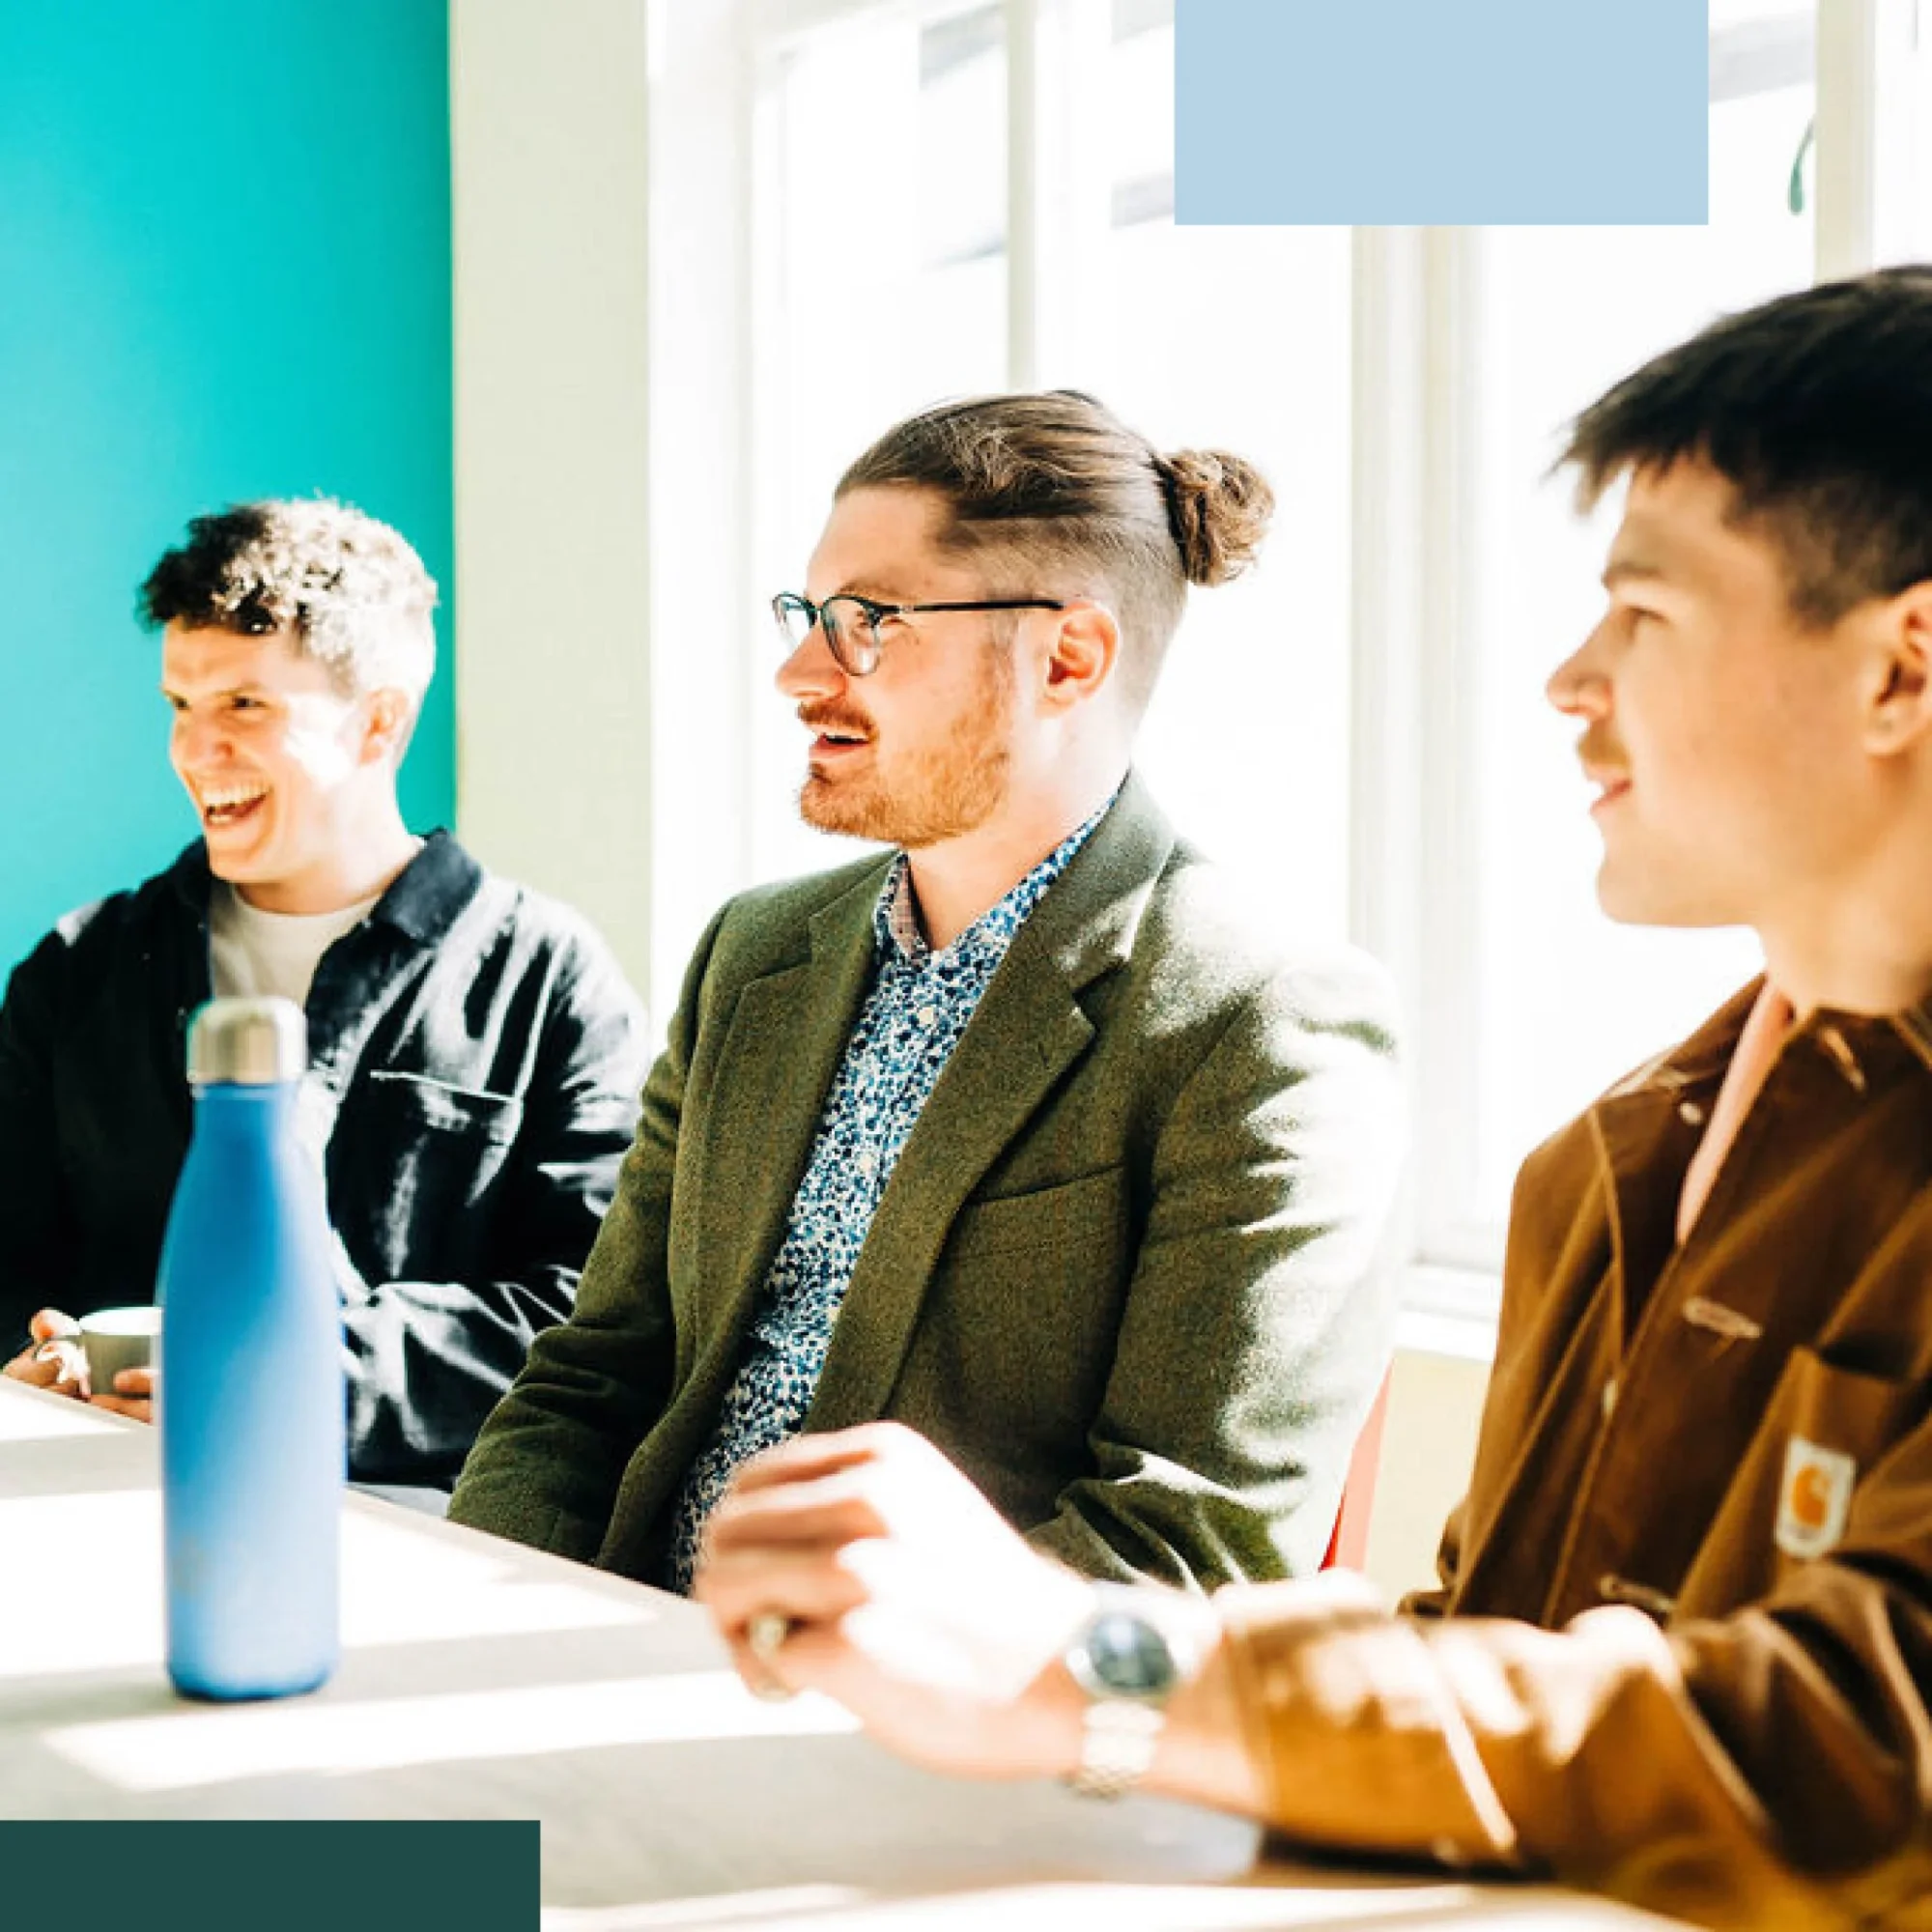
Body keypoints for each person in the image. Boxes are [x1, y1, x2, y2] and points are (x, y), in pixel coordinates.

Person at [693, 270, 1932, 1931]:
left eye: (1644, 613)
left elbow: (1853, 1746)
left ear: (1903, 666)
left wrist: (1091, 1663)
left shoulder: (1270, 1011)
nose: (1571, 680)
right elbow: (1497, 1675)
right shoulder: (1617, 1160)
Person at [450, 391, 1404, 1592]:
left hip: (929, 1745)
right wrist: (487, 1611)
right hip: (602, 1653)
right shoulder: (752, 955)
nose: (802, 670)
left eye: (871, 621)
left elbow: (1184, 1549)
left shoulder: (1264, 1020)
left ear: (1068, 656)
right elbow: (589, 1379)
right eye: (809, 613)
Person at [0, 498, 648, 1492]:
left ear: (378, 720)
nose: (194, 749)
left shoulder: (553, 982)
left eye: (245, 707)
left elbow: (595, 1320)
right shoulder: (79, 967)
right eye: (181, 704)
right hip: (100, 1519)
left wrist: (292, 1382)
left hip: (424, 1543)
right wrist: (29, 1358)